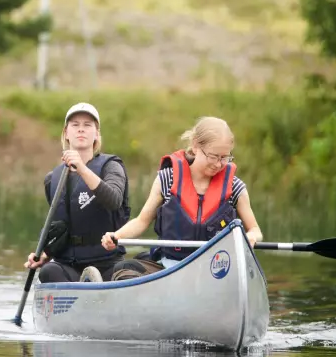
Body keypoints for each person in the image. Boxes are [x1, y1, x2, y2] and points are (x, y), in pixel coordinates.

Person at [101, 116, 262, 280]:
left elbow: (255, 230)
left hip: (216, 272)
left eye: (225, 157)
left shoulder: (235, 187)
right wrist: (117, 236)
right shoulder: (167, 179)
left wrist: (252, 236)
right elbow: (142, 221)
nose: (219, 164)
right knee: (123, 269)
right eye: (213, 156)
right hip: (170, 266)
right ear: (196, 146)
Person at [25, 102, 131, 283]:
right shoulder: (53, 179)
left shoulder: (112, 167)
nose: (81, 130)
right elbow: (63, 226)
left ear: (96, 134)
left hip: (107, 263)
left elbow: (114, 200)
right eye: (75, 125)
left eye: (87, 125)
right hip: (69, 265)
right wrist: (46, 253)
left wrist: (81, 168)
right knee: (48, 272)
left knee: (127, 271)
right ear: (66, 133)